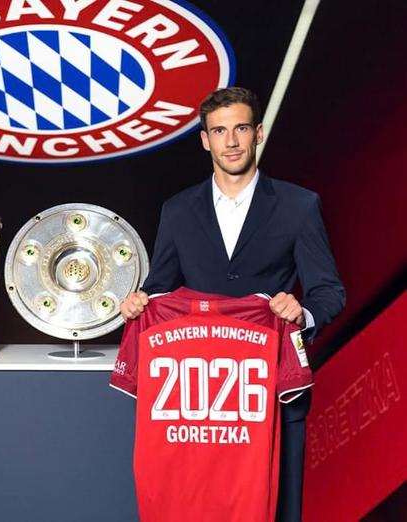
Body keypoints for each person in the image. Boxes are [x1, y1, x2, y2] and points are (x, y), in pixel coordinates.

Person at [120, 86, 345, 521]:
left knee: (278, 510)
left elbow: (329, 291)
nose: (232, 141)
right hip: (197, 403)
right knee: (193, 506)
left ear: (258, 133)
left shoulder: (299, 206)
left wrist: (302, 313)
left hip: (271, 391)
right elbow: (159, 290)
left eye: (241, 129)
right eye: (220, 131)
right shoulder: (178, 210)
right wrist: (139, 304)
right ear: (205, 140)